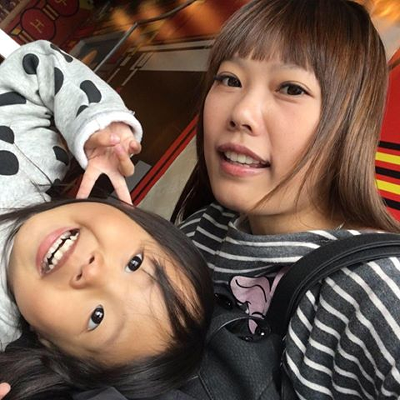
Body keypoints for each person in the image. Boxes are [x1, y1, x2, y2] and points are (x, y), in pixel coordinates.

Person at [2, 0, 400, 398]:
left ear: (348, 121)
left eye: (291, 89)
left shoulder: (377, 290)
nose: (242, 112)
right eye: (229, 79)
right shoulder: (204, 230)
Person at [0, 40, 214, 399]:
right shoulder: (33, 153)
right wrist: (96, 123)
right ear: (134, 217)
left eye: (97, 317)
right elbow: (37, 65)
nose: (94, 272)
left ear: (51, 347)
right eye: (135, 263)